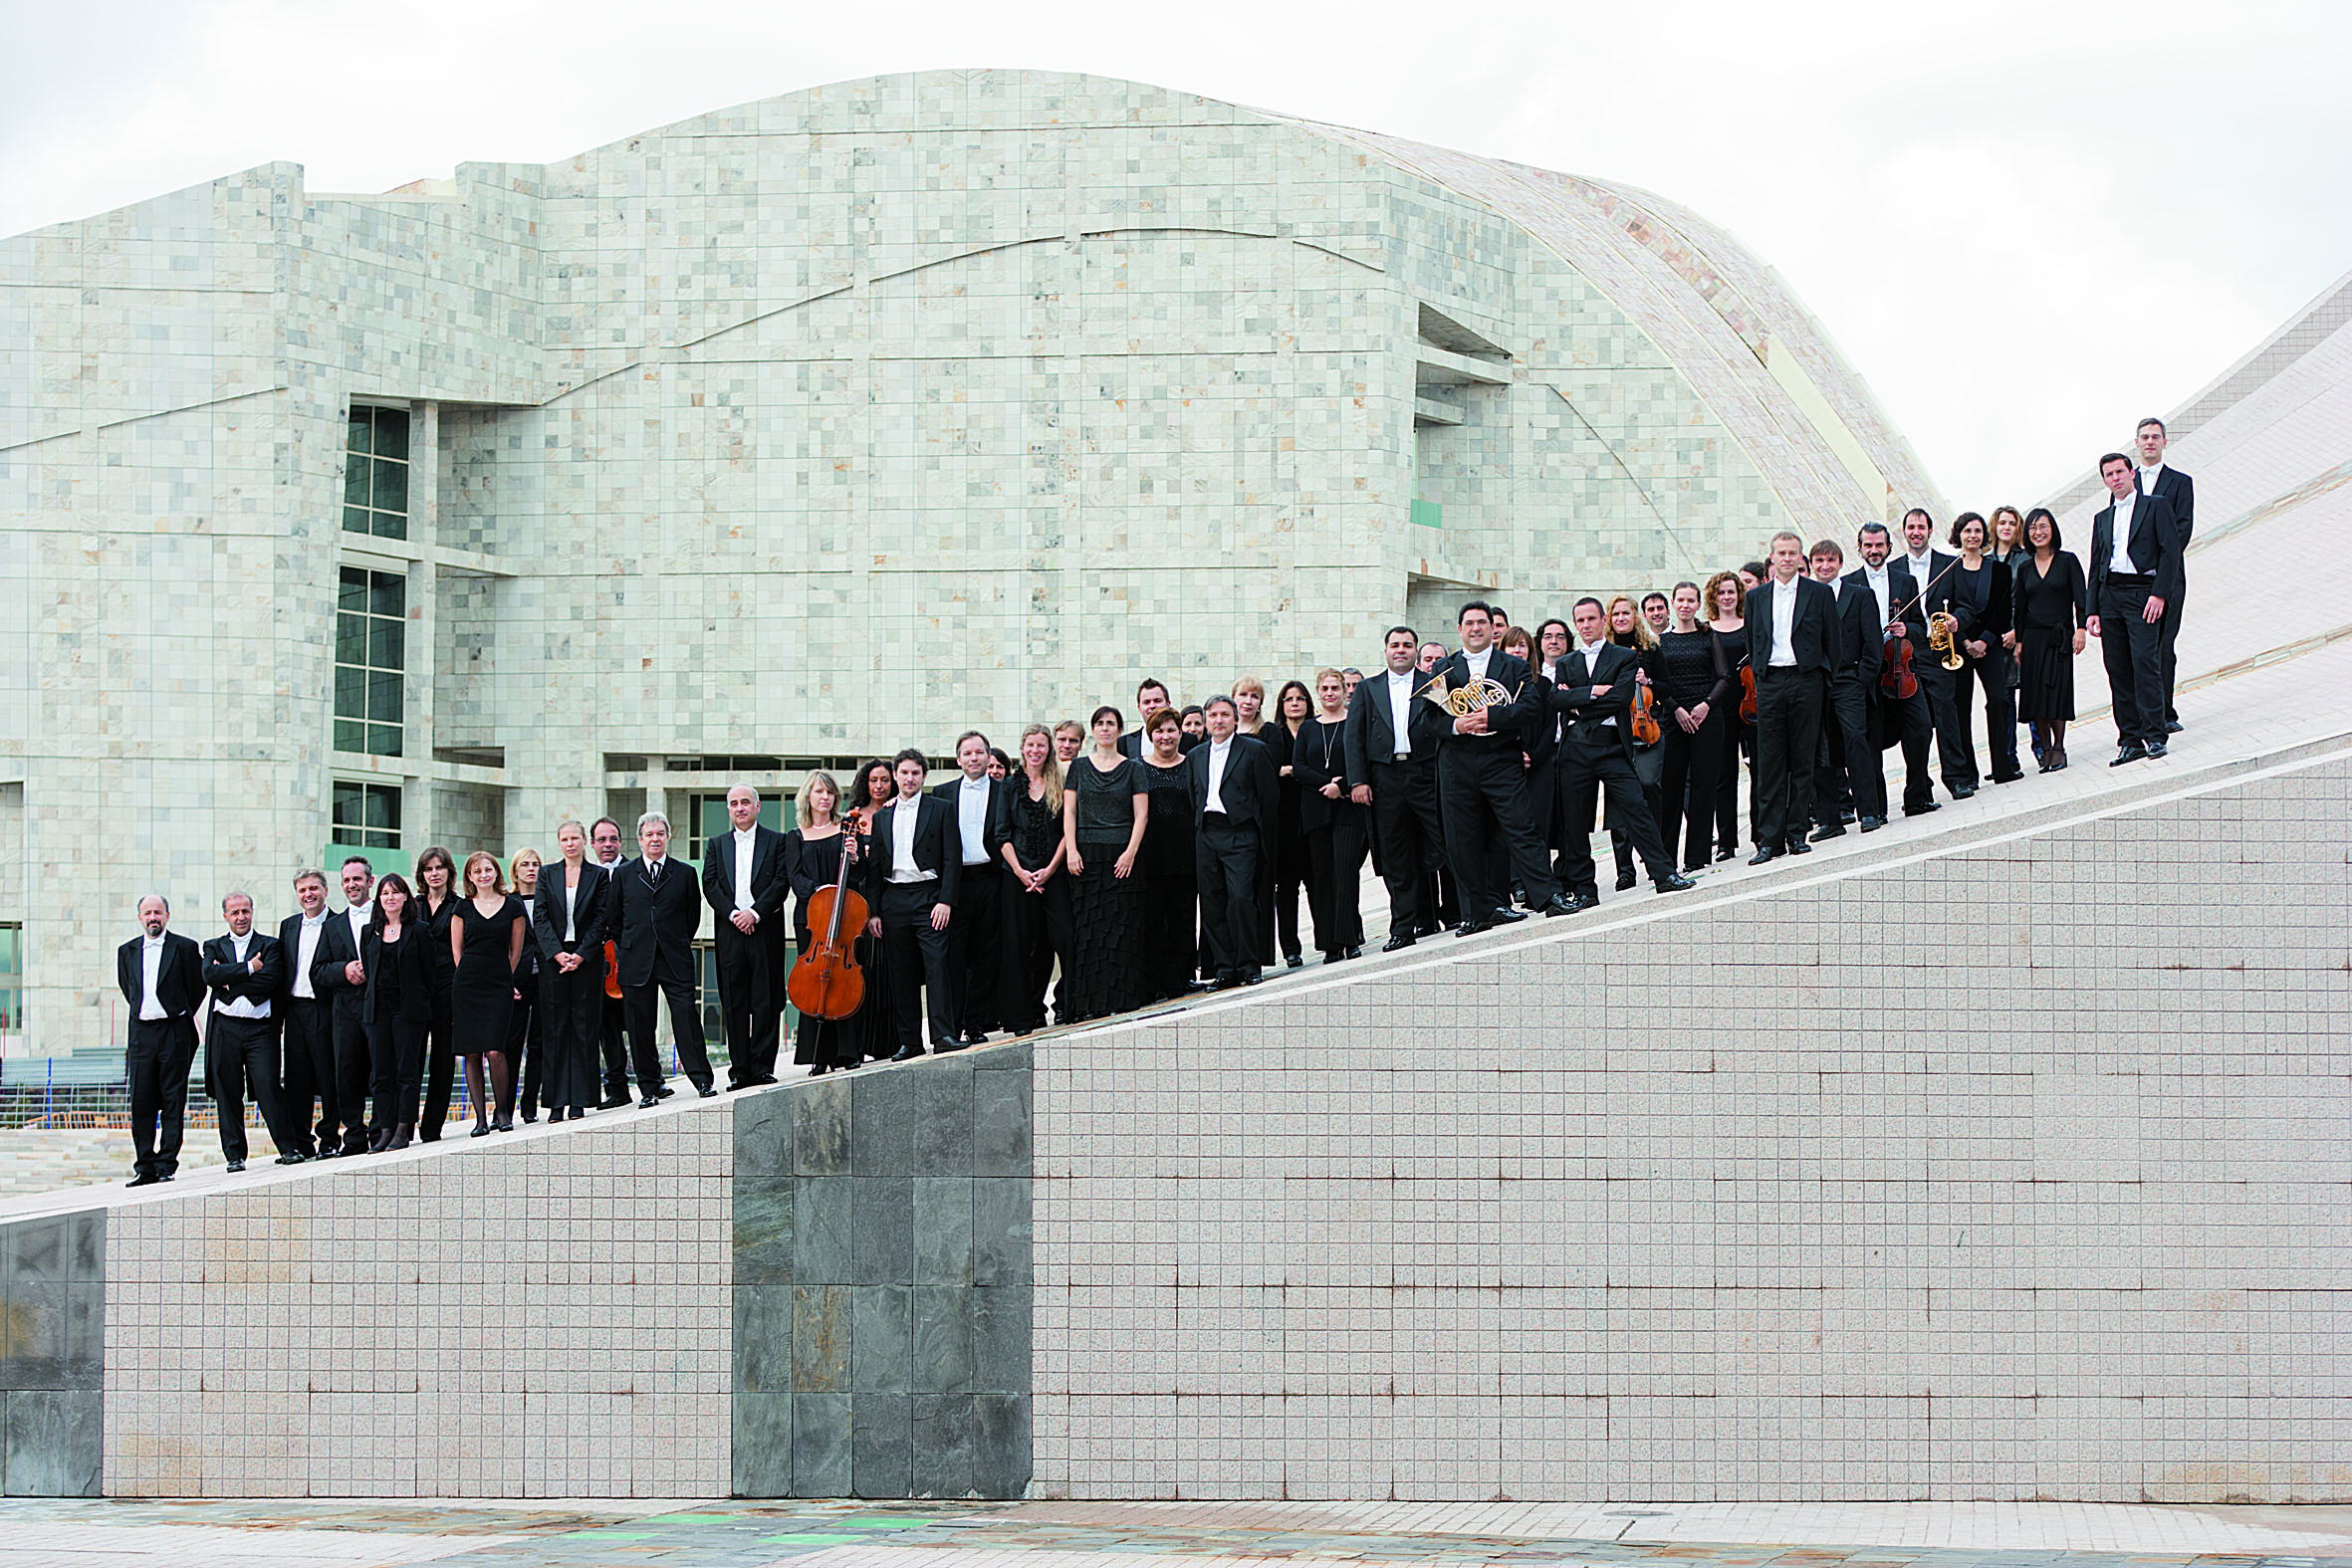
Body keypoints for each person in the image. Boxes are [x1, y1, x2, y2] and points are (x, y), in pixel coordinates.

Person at [1548, 598, 1695, 907]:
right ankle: (1585, 890)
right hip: (1575, 748)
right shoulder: (1566, 663)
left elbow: (1619, 699)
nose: (1586, 625)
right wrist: (1592, 692)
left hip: (1611, 743)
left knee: (1636, 808)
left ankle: (1664, 874)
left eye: (1592, 618)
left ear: (1604, 620)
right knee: (1574, 822)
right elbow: (1555, 701)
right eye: (1581, 620)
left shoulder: (1623, 657)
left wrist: (1577, 702)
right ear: (1576, 624)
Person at [1433, 601, 1569, 932]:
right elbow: (1425, 718)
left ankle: (1548, 897)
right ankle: (1476, 912)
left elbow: (1530, 707)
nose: (1476, 628)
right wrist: (1457, 726)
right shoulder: (1442, 668)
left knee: (1522, 827)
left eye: (1482, 622)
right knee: (1462, 838)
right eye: (1470, 623)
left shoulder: (1512, 665)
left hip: (1501, 758)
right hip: (1457, 762)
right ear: (1460, 629)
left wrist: (1491, 716)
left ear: (1491, 628)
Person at [1343, 625, 1449, 950]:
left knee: (1448, 841)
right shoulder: (1368, 689)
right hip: (1385, 779)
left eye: (1407, 645)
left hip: (1426, 774)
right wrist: (1358, 780)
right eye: (1394, 645)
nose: (1400, 650)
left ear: (1416, 651)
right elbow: (1354, 737)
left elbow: (1447, 724)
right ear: (1386, 650)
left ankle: (1465, 912)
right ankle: (1403, 928)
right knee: (1396, 855)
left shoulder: (1433, 684)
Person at [1745, 533, 1838, 863]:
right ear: (1772, 557)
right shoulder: (1756, 597)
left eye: (1793, 553)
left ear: (1802, 559)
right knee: (1770, 763)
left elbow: (1832, 641)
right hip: (1770, 682)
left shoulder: (1820, 593)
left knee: (1803, 759)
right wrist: (1760, 675)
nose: (1787, 558)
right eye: (1781, 553)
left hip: (1806, 680)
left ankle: (1796, 834)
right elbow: (1752, 640)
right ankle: (1769, 841)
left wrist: (1822, 677)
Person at [609, 811, 716, 1100]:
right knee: (640, 1025)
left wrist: (677, 941)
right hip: (636, 960)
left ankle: (702, 1080)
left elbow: (692, 916)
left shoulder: (684, 873)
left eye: (660, 833)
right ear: (640, 839)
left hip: (674, 957)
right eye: (649, 834)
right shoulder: (623, 874)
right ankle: (649, 1087)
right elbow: (615, 919)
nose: (654, 839)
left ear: (668, 837)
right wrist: (633, 944)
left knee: (686, 1019)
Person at [2087, 450, 2185, 765]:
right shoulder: (2101, 518)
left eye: (2119, 472)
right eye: (2109, 474)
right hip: (2109, 596)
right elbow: (2096, 564)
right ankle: (2130, 740)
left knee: (2145, 663)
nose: (2115, 478)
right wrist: (2092, 610)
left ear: (2132, 473)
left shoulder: (2155, 506)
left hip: (2143, 593)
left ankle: (2155, 736)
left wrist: (2159, 594)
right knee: (2117, 669)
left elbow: (2170, 553)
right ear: (2104, 480)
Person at [200, 891, 305, 1172]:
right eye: (234, 912)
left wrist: (230, 980)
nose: (240, 917)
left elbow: (270, 980)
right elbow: (210, 976)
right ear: (225, 916)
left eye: (245, 911)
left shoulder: (270, 946)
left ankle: (288, 1148)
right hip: (225, 1028)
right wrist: (249, 968)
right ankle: (235, 1155)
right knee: (228, 1089)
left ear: (252, 912)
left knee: (268, 1084)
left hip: (260, 1029)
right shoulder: (212, 946)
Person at [1186, 695, 1280, 987]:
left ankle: (1249, 964)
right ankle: (1225, 969)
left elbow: (1269, 798)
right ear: (1205, 721)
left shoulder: (1254, 751)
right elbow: (1194, 796)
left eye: (1225, 715)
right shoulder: (1195, 756)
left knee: (1240, 899)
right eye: (1212, 715)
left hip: (1240, 832)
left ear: (1235, 719)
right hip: (1207, 833)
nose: (1218, 720)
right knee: (1212, 903)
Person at [1062, 709, 1150, 1020]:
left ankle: (1121, 998)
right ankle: (1091, 1003)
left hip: (1122, 858)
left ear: (1119, 730)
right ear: (1093, 730)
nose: (1104, 729)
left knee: (1121, 929)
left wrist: (1130, 852)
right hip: (1086, 857)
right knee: (1090, 930)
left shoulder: (1134, 768)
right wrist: (1072, 850)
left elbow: (1141, 815)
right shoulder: (1078, 767)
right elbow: (1070, 812)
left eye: (1110, 723)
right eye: (1099, 723)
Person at [700, 783, 790, 1088]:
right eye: (734, 803)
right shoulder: (716, 844)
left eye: (745, 802)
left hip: (765, 929)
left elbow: (781, 882)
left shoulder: (777, 841)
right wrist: (734, 914)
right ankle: (739, 1070)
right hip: (730, 931)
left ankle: (763, 1066)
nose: (740, 808)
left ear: (757, 806)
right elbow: (710, 884)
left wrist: (754, 912)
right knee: (734, 1001)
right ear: (729, 809)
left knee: (766, 1001)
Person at [784, 771, 873, 1075]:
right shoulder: (795, 836)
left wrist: (856, 857)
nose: (825, 797)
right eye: (819, 792)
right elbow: (795, 878)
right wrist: (820, 892)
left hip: (845, 919)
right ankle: (817, 1054)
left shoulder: (847, 831)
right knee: (815, 980)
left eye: (830, 793)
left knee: (844, 981)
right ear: (807, 796)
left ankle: (849, 1051)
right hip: (812, 918)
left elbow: (860, 877)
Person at [874, 750, 962, 1058]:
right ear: (895, 776)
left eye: (915, 773)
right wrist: (874, 911)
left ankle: (944, 1035)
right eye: (904, 773)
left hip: (930, 895)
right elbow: (875, 867)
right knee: (902, 973)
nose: (909, 778)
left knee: (937, 967)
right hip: (894, 898)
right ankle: (909, 1041)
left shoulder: (942, 809)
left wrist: (946, 900)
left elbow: (953, 858)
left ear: (923, 776)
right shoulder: (881, 815)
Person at [1852, 523, 1940, 818]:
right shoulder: (1850, 584)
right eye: (1868, 545)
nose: (1874, 551)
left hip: (1902, 668)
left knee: (1921, 729)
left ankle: (1916, 797)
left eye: (1879, 545)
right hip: (1869, 674)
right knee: (1871, 739)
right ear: (1860, 548)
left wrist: (1907, 629)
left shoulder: (1906, 581)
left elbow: (1919, 625)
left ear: (1889, 547)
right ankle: (1875, 808)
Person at [118, 895, 203, 1185]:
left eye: (158, 912)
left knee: (172, 1098)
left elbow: (197, 987)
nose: (153, 917)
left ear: (167, 914)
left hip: (174, 1030)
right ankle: (145, 1166)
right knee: (140, 1100)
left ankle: (167, 1163)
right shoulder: (126, 951)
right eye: (147, 913)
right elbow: (127, 987)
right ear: (139, 917)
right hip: (141, 1032)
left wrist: (177, 1010)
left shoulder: (185, 947)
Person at [529, 820, 610, 1122]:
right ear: (559, 842)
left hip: (586, 960)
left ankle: (580, 1100)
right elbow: (540, 917)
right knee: (555, 1030)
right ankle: (556, 1103)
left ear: (585, 841)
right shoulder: (547, 874)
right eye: (564, 839)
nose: (570, 843)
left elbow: (602, 917)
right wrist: (557, 953)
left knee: (584, 1029)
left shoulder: (599, 875)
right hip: (554, 961)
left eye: (575, 838)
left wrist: (581, 954)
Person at [932, 733, 1008, 1045]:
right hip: (955, 885)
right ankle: (951, 1025)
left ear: (989, 757)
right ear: (958, 759)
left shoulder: (1005, 790)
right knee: (953, 958)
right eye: (967, 753)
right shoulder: (941, 793)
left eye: (979, 752)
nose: (974, 758)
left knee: (986, 956)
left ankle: (976, 1023)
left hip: (992, 879)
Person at [1811, 540, 1886, 836]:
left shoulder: (1860, 595)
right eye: (1819, 561)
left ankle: (1869, 811)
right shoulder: (1807, 598)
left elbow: (1873, 642)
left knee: (1856, 742)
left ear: (1841, 563)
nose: (1825, 566)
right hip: (1817, 684)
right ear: (1812, 564)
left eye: (1831, 560)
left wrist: (1861, 678)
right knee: (1821, 750)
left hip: (1849, 679)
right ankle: (1830, 820)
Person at [1293, 668, 1366, 964]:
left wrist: (1342, 786)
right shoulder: (1309, 727)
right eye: (1324, 688)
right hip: (1316, 808)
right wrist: (1326, 785)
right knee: (1321, 875)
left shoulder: (1354, 722)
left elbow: (1364, 759)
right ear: (1318, 692)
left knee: (1345, 871)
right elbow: (1298, 766)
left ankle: (1349, 938)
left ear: (1344, 691)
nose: (1330, 693)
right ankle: (1330, 943)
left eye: (1335, 687)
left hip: (1348, 806)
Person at [449, 850, 525, 1135]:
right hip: (467, 984)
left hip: (499, 984)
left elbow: (515, 952)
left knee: (495, 1050)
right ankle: (480, 1119)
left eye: (488, 869)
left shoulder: (512, 907)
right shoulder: (462, 908)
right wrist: (468, 976)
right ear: (470, 876)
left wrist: (503, 978)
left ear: (496, 872)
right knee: (471, 1052)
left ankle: (502, 1111)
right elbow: (457, 951)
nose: (483, 875)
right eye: (477, 871)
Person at [1655, 582, 1730, 872]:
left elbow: (1724, 677)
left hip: (1707, 718)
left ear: (1698, 605)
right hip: (1675, 720)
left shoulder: (1709, 636)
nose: (1685, 605)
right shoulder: (1662, 642)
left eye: (1690, 600)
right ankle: (1665, 861)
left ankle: (1697, 857)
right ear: (1673, 604)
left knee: (1703, 786)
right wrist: (1677, 709)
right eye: (1680, 600)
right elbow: (1658, 683)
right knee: (1671, 790)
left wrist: (1705, 705)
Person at [1937, 513, 2012, 793]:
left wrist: (1984, 641)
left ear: (1984, 535)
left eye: (1978, 531)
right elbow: (1947, 610)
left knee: (1998, 701)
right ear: (1958, 535)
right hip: (1959, 646)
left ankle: (2003, 766)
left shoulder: (2000, 570)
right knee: (1959, 710)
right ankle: (1967, 773)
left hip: (1988, 645)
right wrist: (1966, 640)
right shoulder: (1947, 570)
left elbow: (2003, 611)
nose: (1973, 536)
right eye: (1967, 531)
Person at [358, 872, 434, 1150]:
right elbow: (369, 968)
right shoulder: (370, 931)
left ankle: (404, 1129)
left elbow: (429, 974)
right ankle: (386, 1130)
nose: (390, 898)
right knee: (380, 1073)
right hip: (377, 1010)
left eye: (395, 892)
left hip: (408, 1011)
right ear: (379, 899)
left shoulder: (420, 929)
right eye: (385, 893)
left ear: (406, 897)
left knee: (406, 1071)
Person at [274, 868, 344, 1159]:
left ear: (325, 890)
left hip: (325, 1007)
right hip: (294, 1009)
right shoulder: (288, 926)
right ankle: (302, 1141)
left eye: (313, 888)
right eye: (302, 890)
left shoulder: (339, 923)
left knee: (328, 1075)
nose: (308, 895)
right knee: (296, 1078)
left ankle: (329, 1138)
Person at [1899, 508, 1969, 799]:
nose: (1916, 532)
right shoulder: (1893, 570)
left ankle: (1956, 777)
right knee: (1915, 722)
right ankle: (1919, 785)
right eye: (1911, 527)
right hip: (1905, 654)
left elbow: (1966, 606)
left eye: (1921, 527)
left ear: (1930, 531)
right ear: (1903, 532)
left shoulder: (1950, 564)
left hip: (1938, 649)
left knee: (1946, 713)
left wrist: (1957, 621)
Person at [309, 856, 377, 1144]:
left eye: (357, 879)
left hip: (379, 1005)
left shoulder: (385, 915)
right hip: (345, 1008)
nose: (352, 885)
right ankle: (354, 1134)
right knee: (346, 1071)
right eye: (347, 880)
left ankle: (382, 1129)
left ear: (370, 882)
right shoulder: (332, 925)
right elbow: (318, 971)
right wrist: (344, 970)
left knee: (381, 1068)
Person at [2014, 508, 2088, 772]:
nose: (2038, 532)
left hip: (2060, 637)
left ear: (2053, 529)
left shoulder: (2068, 561)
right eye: (2033, 528)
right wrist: (2020, 642)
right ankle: (2045, 750)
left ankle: (2059, 748)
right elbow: (2020, 609)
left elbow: (2082, 598)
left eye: (2043, 526)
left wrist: (2081, 630)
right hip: (2033, 639)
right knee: (2036, 696)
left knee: (2057, 692)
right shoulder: (2024, 568)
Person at [1135, 710, 1202, 1000]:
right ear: (1151, 735)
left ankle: (1178, 981)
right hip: (1150, 857)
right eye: (1160, 731)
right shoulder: (1137, 768)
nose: (1166, 737)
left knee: (1182, 921)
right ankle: (1152, 984)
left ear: (1180, 733)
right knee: (1152, 923)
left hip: (1186, 856)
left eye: (1171, 730)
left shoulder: (1193, 764)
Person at [1602, 595, 1666, 892]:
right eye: (1616, 614)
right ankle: (1624, 869)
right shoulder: (1603, 653)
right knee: (1617, 801)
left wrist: (1647, 680)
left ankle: (1655, 854)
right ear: (1609, 618)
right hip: (1617, 733)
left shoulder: (1650, 648)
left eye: (1626, 612)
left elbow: (1667, 686)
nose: (1622, 618)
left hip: (1648, 729)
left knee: (1649, 784)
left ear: (1635, 615)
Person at [2135, 417, 2195, 732]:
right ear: (2136, 443)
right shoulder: (2125, 481)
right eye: (2144, 437)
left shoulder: (2180, 482)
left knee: (2163, 647)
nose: (2150, 442)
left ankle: (2164, 713)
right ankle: (2144, 715)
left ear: (2164, 442)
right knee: (2139, 651)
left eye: (2155, 437)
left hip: (2169, 578)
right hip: (2133, 582)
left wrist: (2160, 561)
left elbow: (2183, 528)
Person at [845, 760, 903, 1062]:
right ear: (864, 784)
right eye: (873, 780)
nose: (879, 786)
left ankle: (887, 1043)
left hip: (889, 899)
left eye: (884, 780)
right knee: (859, 973)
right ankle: (855, 1046)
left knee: (887, 974)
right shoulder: (853, 818)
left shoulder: (899, 813)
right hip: (858, 902)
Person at [411, 845, 462, 1140]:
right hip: (417, 989)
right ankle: (405, 1123)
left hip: (448, 986)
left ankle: (431, 1127)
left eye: (439, 868)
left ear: (449, 872)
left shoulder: (460, 905)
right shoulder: (412, 906)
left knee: (442, 1058)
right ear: (422, 874)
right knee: (411, 1058)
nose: (434, 873)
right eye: (428, 869)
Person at [586, 818, 637, 1110]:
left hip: (631, 960)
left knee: (639, 1024)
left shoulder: (634, 870)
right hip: (599, 965)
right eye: (602, 839)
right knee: (608, 1029)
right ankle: (617, 1089)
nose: (608, 845)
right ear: (592, 843)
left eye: (613, 839)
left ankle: (650, 1082)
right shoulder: (586, 875)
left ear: (620, 842)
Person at [1266, 679, 1313, 969]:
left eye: (1300, 698)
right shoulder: (1275, 736)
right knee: (1286, 889)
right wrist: (1281, 771)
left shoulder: (1316, 731)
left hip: (1313, 817)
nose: (1294, 703)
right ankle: (1291, 948)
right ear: (1281, 706)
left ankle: (1331, 940)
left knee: (1319, 883)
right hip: (1283, 821)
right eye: (1288, 699)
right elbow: (1266, 770)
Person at [1702, 570, 1750, 861]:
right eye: (1721, 593)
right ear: (1713, 597)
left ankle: (1764, 834)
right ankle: (1726, 842)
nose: (1727, 597)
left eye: (1731, 592)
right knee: (1724, 776)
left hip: (1752, 704)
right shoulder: (1707, 630)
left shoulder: (1750, 623)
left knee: (1762, 770)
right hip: (1722, 709)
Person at [1989, 506, 2030, 775]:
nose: (2006, 527)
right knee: (2002, 701)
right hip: (1994, 640)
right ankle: (2006, 760)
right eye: (2002, 522)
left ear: (2018, 528)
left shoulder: (2025, 558)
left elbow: (2029, 599)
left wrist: (2018, 632)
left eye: (2011, 523)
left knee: (2031, 695)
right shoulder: (1983, 560)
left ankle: (2044, 752)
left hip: (2020, 636)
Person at [507, 848, 546, 1119]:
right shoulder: (507, 903)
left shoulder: (548, 899)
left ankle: (530, 1103)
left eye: (535, 864)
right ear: (515, 871)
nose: (530, 869)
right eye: (525, 864)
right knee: (510, 1046)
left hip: (544, 979)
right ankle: (505, 1107)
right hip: (515, 983)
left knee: (539, 1046)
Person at [1118, 679, 1174, 761]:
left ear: (1168, 704)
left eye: (1157, 700)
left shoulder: (1188, 740)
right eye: (1146, 702)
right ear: (1139, 708)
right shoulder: (1123, 743)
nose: (1152, 706)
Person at [1232, 676, 1269, 740]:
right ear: (1233, 698)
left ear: (1260, 703)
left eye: (1254, 696)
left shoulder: (1269, 731)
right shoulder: (1222, 730)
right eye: (1243, 694)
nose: (1248, 701)